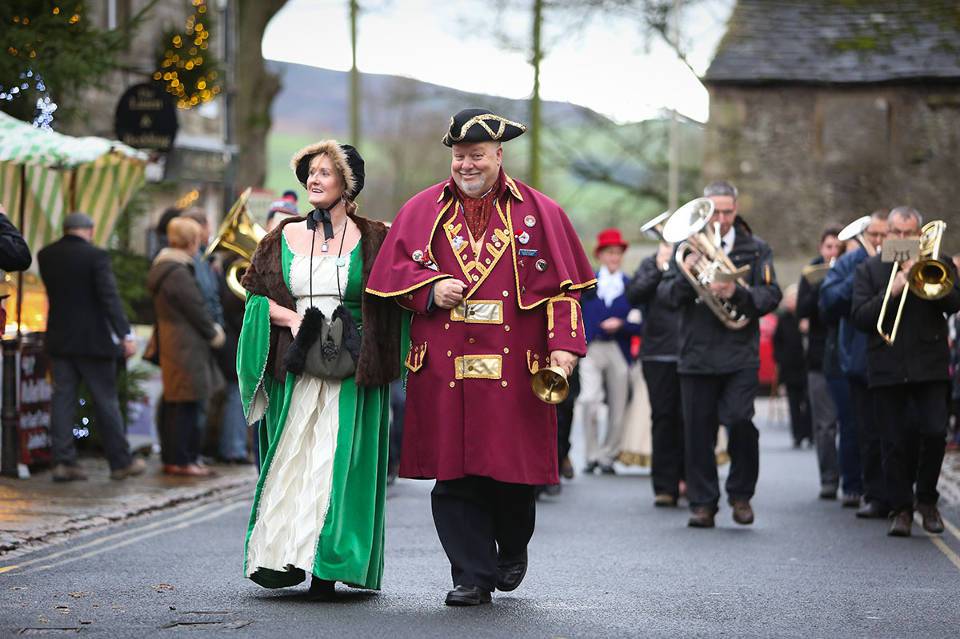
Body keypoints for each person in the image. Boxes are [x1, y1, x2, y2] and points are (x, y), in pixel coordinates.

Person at [366, 108, 595, 606]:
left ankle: (512, 547)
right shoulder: (421, 210)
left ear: (498, 156)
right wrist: (429, 289)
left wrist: (564, 351)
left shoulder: (542, 213)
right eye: (458, 157)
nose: (466, 166)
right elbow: (389, 282)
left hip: (518, 370)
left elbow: (565, 293)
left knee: (511, 475)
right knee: (453, 478)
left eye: (476, 156)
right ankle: (471, 574)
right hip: (443, 369)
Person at [238, 140, 401, 598]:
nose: (314, 178)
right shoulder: (281, 237)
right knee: (294, 458)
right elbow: (255, 298)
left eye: (326, 172)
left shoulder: (375, 237)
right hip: (296, 363)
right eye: (311, 170)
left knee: (336, 459)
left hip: (352, 364)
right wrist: (291, 319)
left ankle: (329, 561)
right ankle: (286, 554)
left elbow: (396, 298)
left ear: (347, 184)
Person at [663, 181, 781, 528]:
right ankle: (703, 503)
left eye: (728, 211)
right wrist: (692, 275)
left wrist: (734, 291)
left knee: (741, 421)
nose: (722, 219)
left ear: (736, 208)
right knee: (698, 433)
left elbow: (771, 295)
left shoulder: (756, 249)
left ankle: (741, 495)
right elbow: (668, 296)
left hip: (739, 355)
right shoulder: (684, 249)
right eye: (715, 211)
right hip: (696, 355)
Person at [851, 206, 960, 537]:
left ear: (918, 235)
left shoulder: (936, 264)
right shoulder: (869, 269)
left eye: (908, 234)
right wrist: (895, 286)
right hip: (887, 366)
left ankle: (926, 500)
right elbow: (860, 317)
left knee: (933, 432)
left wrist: (921, 274)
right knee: (893, 441)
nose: (901, 239)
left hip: (929, 365)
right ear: (886, 236)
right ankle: (900, 507)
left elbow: (954, 302)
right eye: (895, 233)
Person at [37, 212, 145, 481]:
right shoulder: (96, 256)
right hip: (93, 341)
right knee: (105, 401)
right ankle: (120, 462)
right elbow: (109, 297)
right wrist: (124, 334)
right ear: (90, 229)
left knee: (62, 401)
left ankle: (62, 462)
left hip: (60, 338)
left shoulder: (46, 255)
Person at [820, 211, 888, 517]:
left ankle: (900, 492)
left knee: (899, 429)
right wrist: (862, 274)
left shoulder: (908, 259)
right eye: (873, 235)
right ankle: (862, 488)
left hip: (899, 358)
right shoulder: (851, 261)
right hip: (859, 357)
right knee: (859, 428)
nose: (877, 241)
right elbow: (828, 301)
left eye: (884, 235)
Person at [147, 217, 225, 477]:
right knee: (187, 405)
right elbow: (195, 307)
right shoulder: (177, 271)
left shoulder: (168, 267)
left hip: (176, 341)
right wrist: (214, 332)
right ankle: (183, 460)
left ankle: (179, 458)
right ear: (190, 241)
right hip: (186, 345)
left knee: (178, 402)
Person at [579, 228, 642, 474]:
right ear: (601, 255)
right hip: (592, 348)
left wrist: (622, 324)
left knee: (618, 405)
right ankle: (591, 453)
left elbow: (641, 322)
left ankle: (608, 454)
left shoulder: (631, 285)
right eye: (609, 253)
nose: (614, 257)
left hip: (619, 349)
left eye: (617, 253)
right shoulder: (589, 284)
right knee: (589, 400)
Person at [627, 240, 686, 506]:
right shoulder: (650, 264)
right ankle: (665, 486)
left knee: (690, 419)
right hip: (657, 353)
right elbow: (634, 294)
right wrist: (661, 268)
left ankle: (689, 478)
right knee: (663, 418)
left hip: (689, 351)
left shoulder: (693, 260)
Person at [796, 225, 844, 499]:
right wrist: (821, 287)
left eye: (838, 247)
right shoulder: (810, 272)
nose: (833, 252)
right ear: (820, 248)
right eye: (829, 247)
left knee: (850, 424)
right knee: (825, 425)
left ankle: (854, 479)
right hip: (818, 357)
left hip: (845, 355)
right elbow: (801, 310)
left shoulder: (852, 268)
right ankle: (829, 478)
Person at [772, 284, 812, 448]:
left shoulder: (807, 316)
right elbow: (777, 342)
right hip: (789, 367)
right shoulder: (783, 318)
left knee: (809, 402)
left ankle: (809, 433)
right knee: (794, 403)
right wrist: (780, 359)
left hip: (806, 365)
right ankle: (797, 434)